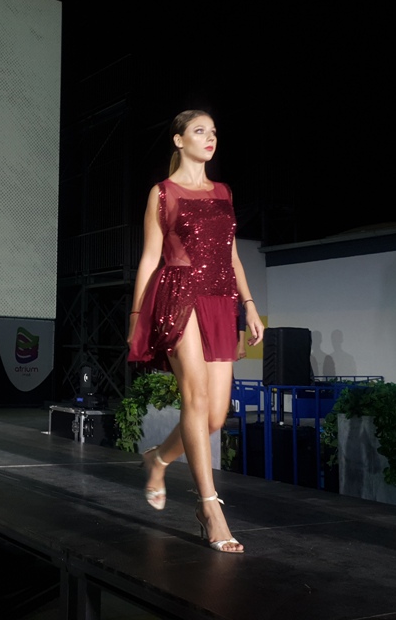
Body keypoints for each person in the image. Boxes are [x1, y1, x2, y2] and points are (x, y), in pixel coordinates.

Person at [127, 108, 264, 553]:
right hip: (179, 296)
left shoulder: (223, 192)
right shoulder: (163, 193)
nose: (210, 138)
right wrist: (137, 316)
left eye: (214, 132)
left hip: (222, 301)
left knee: (215, 417)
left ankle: (158, 459)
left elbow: (232, 256)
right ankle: (210, 508)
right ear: (178, 140)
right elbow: (151, 258)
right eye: (200, 131)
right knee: (196, 397)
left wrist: (249, 306)